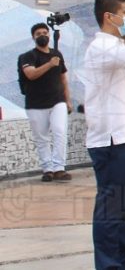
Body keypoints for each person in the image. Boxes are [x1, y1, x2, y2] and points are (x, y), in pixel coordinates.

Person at [80, 0, 125, 269]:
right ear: (109, 17)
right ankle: (109, 265)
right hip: (110, 141)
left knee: (122, 208)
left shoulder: (117, 47)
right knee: (111, 209)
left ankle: (121, 262)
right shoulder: (102, 47)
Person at [19, 23, 72, 182]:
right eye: (38, 33)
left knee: (59, 131)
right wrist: (49, 64)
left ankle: (59, 168)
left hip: (57, 100)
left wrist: (68, 100)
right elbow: (31, 74)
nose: (42, 35)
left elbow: (63, 78)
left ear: (49, 35)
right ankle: (47, 169)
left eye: (45, 32)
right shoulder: (27, 56)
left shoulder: (57, 54)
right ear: (33, 37)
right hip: (35, 103)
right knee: (41, 137)